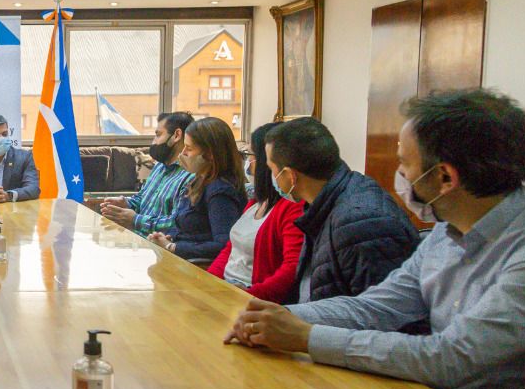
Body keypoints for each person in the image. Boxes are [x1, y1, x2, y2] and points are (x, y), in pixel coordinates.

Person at [227, 89, 525, 389]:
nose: (399, 174)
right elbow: (377, 305)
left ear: (444, 178)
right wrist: (279, 316)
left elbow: (452, 356)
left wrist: (306, 336)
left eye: (404, 163)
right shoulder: (447, 228)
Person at [266, 116, 418, 303]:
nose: (272, 177)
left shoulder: (361, 223)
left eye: (272, 169)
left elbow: (381, 314)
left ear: (290, 175)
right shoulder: (324, 204)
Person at [207, 122, 304, 302]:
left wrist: (248, 296)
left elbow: (291, 269)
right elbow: (230, 249)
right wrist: (208, 284)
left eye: (249, 154)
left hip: (251, 298)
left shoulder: (292, 208)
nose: (247, 162)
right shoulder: (256, 202)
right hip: (226, 292)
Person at [148, 116, 247, 261]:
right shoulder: (199, 181)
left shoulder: (221, 191)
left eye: (189, 149)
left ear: (210, 154)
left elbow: (223, 245)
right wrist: (169, 238)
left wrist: (172, 247)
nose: (183, 154)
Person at [99, 112, 195, 235]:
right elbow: (142, 198)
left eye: (158, 135)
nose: (153, 142)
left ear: (176, 135)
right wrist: (126, 203)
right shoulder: (159, 166)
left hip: (161, 247)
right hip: (137, 239)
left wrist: (135, 220)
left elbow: (177, 223)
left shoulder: (191, 175)